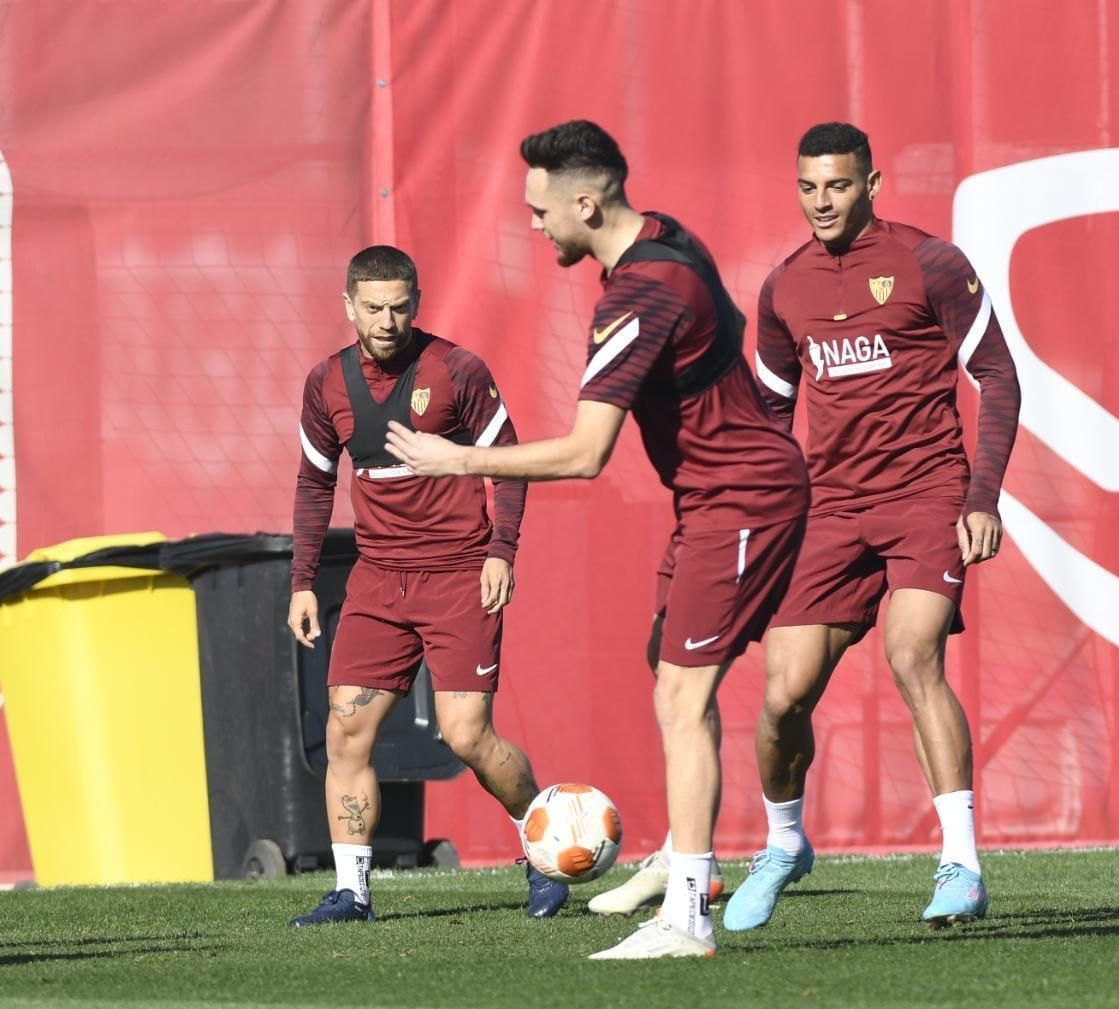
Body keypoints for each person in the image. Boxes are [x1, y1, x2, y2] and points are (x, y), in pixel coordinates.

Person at [385, 120, 810, 958]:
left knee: (683, 698)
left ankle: (687, 912)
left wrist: (459, 458)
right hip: (711, 499)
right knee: (668, 665)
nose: (534, 225)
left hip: (744, 499)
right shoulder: (663, 237)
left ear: (587, 201)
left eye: (541, 210)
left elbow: (586, 453)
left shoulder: (639, 294)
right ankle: (691, 860)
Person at [723, 120, 1019, 929]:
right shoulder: (783, 287)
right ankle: (784, 843)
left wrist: (982, 495)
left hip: (928, 493)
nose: (823, 201)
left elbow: (998, 376)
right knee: (783, 697)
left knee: (912, 653)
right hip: (830, 507)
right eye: (809, 187)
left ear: (873, 183)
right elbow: (772, 419)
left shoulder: (930, 262)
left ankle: (961, 861)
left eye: (839, 185)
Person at [288, 245, 568, 925]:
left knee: (466, 734)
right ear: (349, 306)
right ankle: (351, 891)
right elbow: (314, 482)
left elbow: (509, 463)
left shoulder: (457, 370)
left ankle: (548, 846)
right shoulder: (326, 383)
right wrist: (301, 581)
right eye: (375, 307)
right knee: (347, 731)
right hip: (378, 583)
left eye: (401, 305)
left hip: (456, 577)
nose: (388, 319)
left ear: (417, 302)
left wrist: (502, 550)